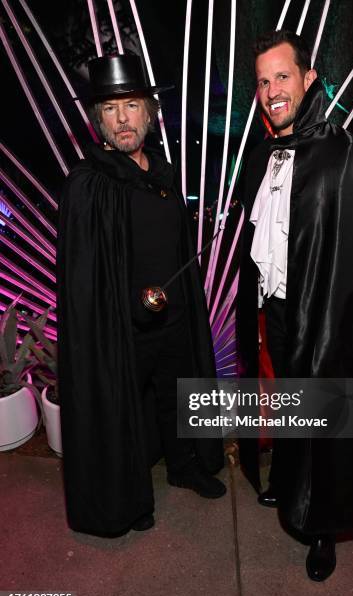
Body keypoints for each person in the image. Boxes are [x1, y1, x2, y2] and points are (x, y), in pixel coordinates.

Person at [236, 30, 353, 581]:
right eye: (263, 81)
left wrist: (340, 323)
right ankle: (293, 485)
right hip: (275, 310)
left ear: (308, 79)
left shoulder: (341, 153)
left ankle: (324, 526)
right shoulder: (266, 154)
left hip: (322, 315)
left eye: (282, 76)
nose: (272, 89)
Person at [57, 53, 225, 537]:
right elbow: (84, 276)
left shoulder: (164, 175)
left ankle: (185, 465)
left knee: (179, 395)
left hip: (172, 319)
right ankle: (129, 497)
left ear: (150, 114)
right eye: (110, 110)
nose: (122, 119)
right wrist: (123, 303)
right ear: (98, 121)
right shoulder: (89, 184)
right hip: (120, 329)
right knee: (124, 410)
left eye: (131, 106)